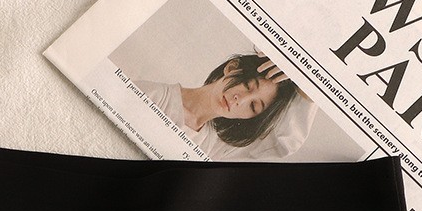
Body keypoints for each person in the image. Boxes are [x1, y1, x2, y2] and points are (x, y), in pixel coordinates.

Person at [133, 52, 318, 160]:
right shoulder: (153, 95)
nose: (240, 100)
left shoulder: (216, 146)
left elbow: (285, 144)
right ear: (232, 67)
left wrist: (308, 84)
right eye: (247, 86)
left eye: (253, 106)